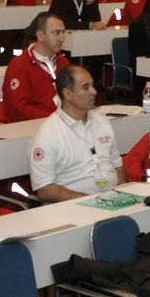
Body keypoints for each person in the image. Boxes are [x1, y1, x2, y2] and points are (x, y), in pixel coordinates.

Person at [29, 66, 125, 201]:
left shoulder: (102, 122)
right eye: (86, 87)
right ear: (68, 94)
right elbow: (45, 189)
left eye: (92, 85)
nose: (94, 91)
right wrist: (91, 201)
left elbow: (118, 167)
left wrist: (121, 195)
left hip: (112, 200)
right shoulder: (47, 134)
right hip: (75, 207)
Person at [0, 12, 68, 123]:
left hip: (53, 124)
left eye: (63, 32)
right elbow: (19, 110)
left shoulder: (63, 62)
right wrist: (55, 119)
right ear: (40, 35)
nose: (62, 38)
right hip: (25, 127)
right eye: (56, 33)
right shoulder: (19, 65)